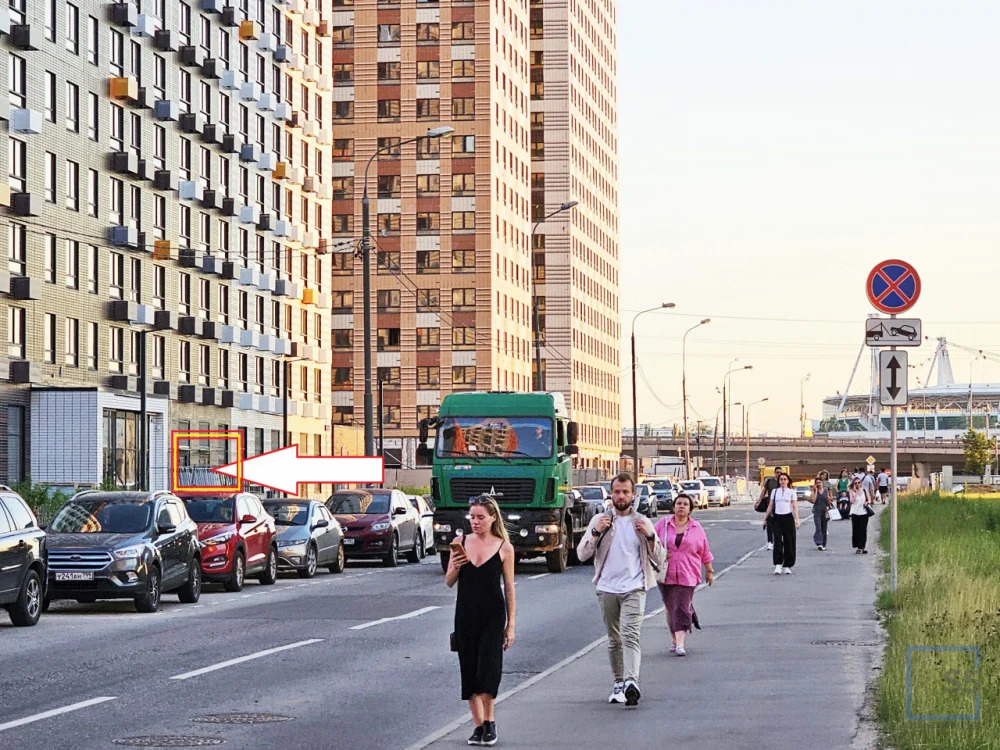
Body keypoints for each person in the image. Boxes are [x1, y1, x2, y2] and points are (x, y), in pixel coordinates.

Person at [576, 472, 664, 707]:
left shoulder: (642, 522)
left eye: (626, 492)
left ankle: (631, 682)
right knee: (614, 639)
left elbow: (661, 557)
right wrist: (595, 534)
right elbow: (581, 554)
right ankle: (618, 682)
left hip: (635, 587)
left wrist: (650, 536)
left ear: (633, 495)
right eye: (617, 491)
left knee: (630, 635)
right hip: (606, 588)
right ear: (611, 494)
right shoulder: (600, 521)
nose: (621, 496)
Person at [446, 495, 516, 747]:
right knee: (469, 670)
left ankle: (490, 722)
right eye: (472, 517)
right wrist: (455, 565)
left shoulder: (504, 547)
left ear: (492, 518)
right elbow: (449, 581)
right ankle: (477, 726)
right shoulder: (460, 542)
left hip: (493, 616)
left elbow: (509, 588)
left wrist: (511, 625)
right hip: (465, 614)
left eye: (480, 517)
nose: (475, 522)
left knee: (489, 669)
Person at [654, 493, 714, 656]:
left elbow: (704, 550)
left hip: (689, 572)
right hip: (665, 573)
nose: (681, 506)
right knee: (670, 607)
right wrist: (660, 552)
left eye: (685, 504)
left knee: (680, 606)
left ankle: (680, 643)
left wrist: (709, 571)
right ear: (673, 507)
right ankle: (674, 638)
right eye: (678, 503)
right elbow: (650, 542)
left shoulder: (696, 528)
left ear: (690, 509)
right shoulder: (663, 524)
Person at [763, 472, 800, 574]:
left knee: (789, 542)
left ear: (788, 481)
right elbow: (770, 505)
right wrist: (765, 518)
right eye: (781, 479)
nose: (783, 481)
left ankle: (787, 565)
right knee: (778, 541)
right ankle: (778, 564)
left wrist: (797, 520)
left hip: (788, 518)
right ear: (779, 481)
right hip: (777, 518)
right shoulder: (775, 492)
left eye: (785, 479)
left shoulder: (792, 492)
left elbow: (795, 507)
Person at [756, 470, 781, 550]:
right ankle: (770, 542)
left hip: (780, 506)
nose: (779, 474)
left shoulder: (783, 482)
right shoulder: (770, 481)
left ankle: (778, 541)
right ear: (774, 473)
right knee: (769, 524)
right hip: (770, 505)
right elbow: (764, 492)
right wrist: (759, 502)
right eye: (777, 472)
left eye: (780, 472)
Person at [849, 475, 874, 554]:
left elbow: (869, 499)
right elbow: (852, 501)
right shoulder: (851, 491)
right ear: (853, 484)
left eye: (859, 482)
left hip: (863, 513)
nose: (857, 484)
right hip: (855, 513)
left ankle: (862, 547)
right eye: (855, 483)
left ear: (861, 483)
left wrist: (867, 502)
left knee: (863, 530)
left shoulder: (864, 490)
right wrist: (855, 494)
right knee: (856, 530)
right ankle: (857, 545)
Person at [806, 477, 832, 550]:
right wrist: (815, 490)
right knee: (818, 527)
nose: (818, 484)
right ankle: (819, 543)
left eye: (819, 482)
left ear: (822, 483)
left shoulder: (826, 491)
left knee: (824, 528)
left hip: (825, 511)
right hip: (817, 511)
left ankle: (823, 544)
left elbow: (830, 499)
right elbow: (813, 500)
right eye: (816, 483)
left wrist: (829, 499)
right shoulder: (814, 491)